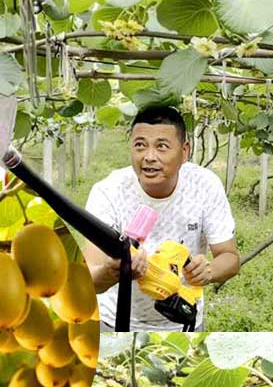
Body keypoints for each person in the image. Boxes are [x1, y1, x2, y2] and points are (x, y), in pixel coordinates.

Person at [83, 106, 240, 331]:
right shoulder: (109, 191)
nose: (149, 157)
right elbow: (89, 277)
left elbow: (230, 258)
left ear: (184, 151)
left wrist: (209, 271)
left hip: (183, 322)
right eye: (140, 145)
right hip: (114, 322)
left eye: (161, 146)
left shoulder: (205, 186)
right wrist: (113, 271)